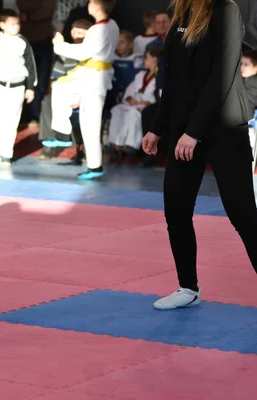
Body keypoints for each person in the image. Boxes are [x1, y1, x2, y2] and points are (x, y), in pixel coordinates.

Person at [142, 0, 257, 310]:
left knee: (243, 213)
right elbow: (173, 81)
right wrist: (158, 127)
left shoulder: (226, 11)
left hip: (222, 130)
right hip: (183, 130)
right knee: (176, 210)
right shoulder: (182, 12)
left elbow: (222, 77)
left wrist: (194, 131)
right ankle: (188, 288)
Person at [51, 0, 119, 180]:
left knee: (90, 123)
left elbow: (83, 53)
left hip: (94, 78)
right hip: (92, 76)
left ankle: (93, 164)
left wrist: (60, 45)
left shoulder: (100, 29)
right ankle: (63, 132)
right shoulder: (111, 26)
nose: (88, 4)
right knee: (59, 87)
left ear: (96, 5)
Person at [0, 8, 36, 165]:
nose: (16, 27)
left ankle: (6, 153)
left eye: (17, 24)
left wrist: (30, 87)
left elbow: (31, 66)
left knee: (11, 121)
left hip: (17, 87)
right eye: (11, 24)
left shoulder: (22, 42)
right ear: (2, 25)